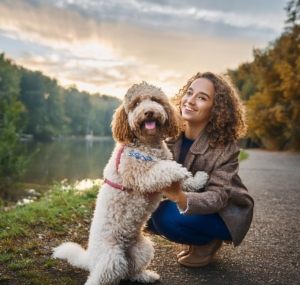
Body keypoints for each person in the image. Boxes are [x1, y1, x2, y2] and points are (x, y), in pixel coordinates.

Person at [146, 71, 254, 267]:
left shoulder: (224, 146)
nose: (191, 101)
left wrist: (179, 197)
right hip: (189, 205)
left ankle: (209, 241)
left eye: (202, 98)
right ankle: (192, 235)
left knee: (164, 216)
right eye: (189, 93)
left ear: (216, 109)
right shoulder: (168, 135)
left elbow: (219, 197)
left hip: (224, 213)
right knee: (141, 214)